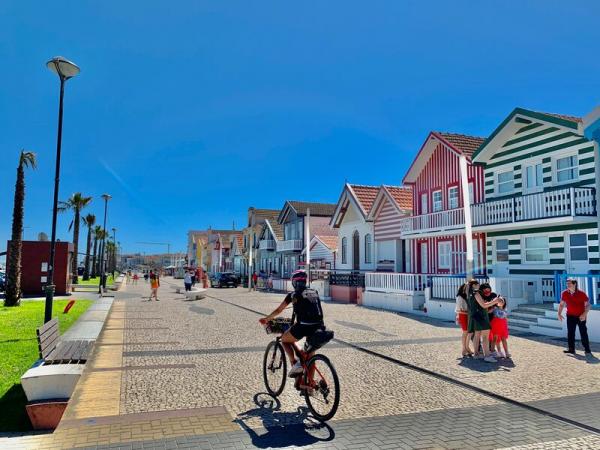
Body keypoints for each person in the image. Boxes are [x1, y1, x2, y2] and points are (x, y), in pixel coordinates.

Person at [259, 270, 325, 377]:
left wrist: (267, 319)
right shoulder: (314, 291)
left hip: (303, 326)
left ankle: (295, 363)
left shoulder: (292, 295)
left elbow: (279, 310)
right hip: (319, 327)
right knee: (310, 356)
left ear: (294, 283)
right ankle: (309, 387)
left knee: (284, 340)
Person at [467, 279, 501, 362]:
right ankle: (487, 356)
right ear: (474, 285)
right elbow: (484, 305)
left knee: (477, 336)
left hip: (475, 317)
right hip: (481, 317)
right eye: (477, 283)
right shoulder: (476, 293)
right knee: (485, 337)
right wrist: (495, 301)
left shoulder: (470, 294)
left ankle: (476, 354)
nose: (479, 285)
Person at [558, 278, 592, 356]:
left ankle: (587, 350)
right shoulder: (564, 293)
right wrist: (559, 314)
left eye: (569, 283)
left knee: (583, 332)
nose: (568, 285)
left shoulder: (582, 293)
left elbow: (588, 305)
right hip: (570, 316)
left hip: (581, 316)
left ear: (574, 284)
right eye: (567, 284)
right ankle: (571, 349)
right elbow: (561, 304)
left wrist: (584, 314)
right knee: (570, 333)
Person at [455, 283, 473, 358]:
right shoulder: (460, 297)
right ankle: (464, 349)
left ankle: (466, 348)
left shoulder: (468, 296)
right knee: (465, 332)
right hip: (463, 316)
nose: (468, 289)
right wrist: (468, 312)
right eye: (467, 288)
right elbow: (458, 310)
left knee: (469, 332)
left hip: (468, 316)